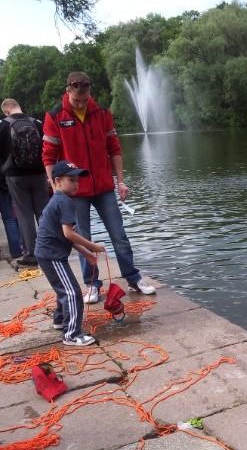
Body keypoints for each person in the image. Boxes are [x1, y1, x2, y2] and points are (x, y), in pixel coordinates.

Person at [42, 71, 155, 304]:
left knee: (119, 235)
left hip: (103, 187)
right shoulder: (55, 116)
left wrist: (120, 181)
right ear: (68, 92)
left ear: (89, 93)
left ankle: (133, 278)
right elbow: (49, 156)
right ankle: (92, 285)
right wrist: (55, 187)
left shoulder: (102, 113)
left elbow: (114, 149)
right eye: (77, 100)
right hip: (75, 191)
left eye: (85, 100)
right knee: (83, 237)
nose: (81, 104)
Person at [34, 160, 105, 347]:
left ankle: (60, 320)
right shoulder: (65, 201)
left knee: (63, 289)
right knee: (72, 293)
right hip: (52, 255)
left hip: (47, 254)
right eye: (71, 180)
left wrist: (86, 253)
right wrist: (92, 246)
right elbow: (69, 233)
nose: (76, 184)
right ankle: (72, 334)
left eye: (77, 180)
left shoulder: (58, 199)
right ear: (57, 181)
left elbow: (65, 237)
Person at [0, 98, 49, 266]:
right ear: (19, 107)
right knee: (43, 212)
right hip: (39, 174)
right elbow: (48, 148)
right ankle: (49, 250)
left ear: (6, 111)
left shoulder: (3, 125)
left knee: (24, 214)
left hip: (15, 176)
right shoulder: (36, 123)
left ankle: (31, 255)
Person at [0, 172, 22, 259]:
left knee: (9, 219)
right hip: (5, 182)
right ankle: (17, 250)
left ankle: (16, 250)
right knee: (11, 218)